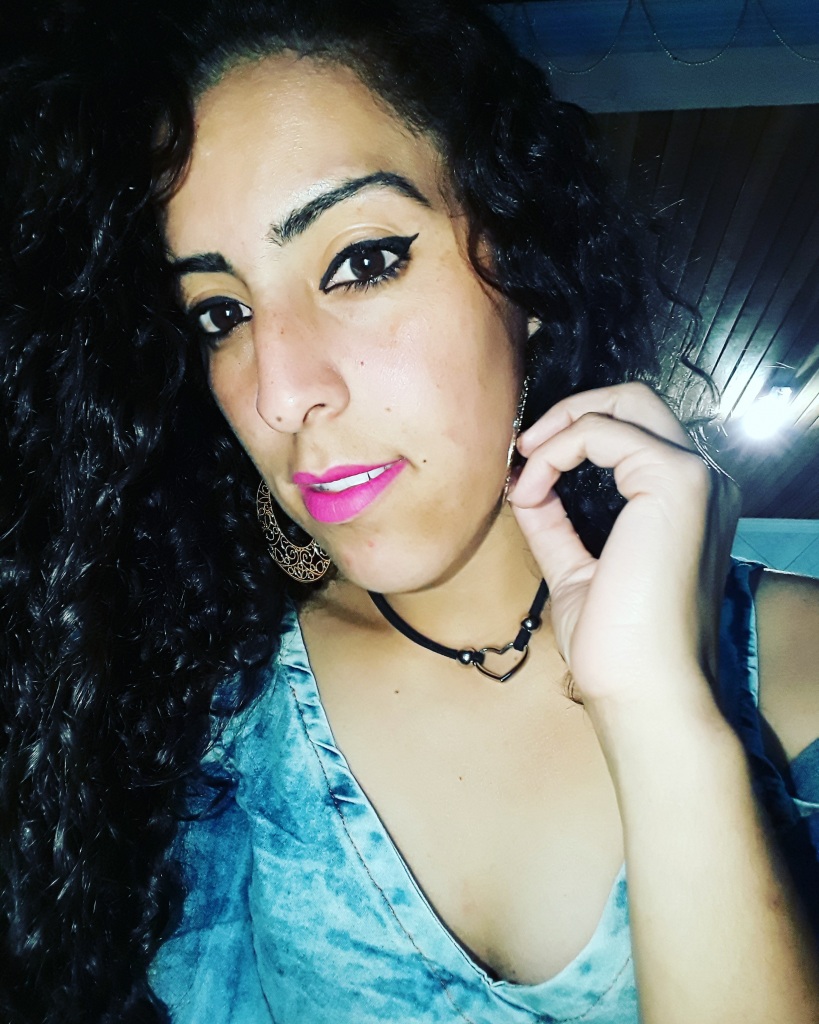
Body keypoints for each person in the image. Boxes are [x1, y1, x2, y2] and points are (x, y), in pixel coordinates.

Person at [2, 1, 818, 1022]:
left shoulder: (798, 665)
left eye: (362, 261)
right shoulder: (189, 715)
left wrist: (660, 710)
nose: (279, 391)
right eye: (222, 313)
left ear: (524, 265)